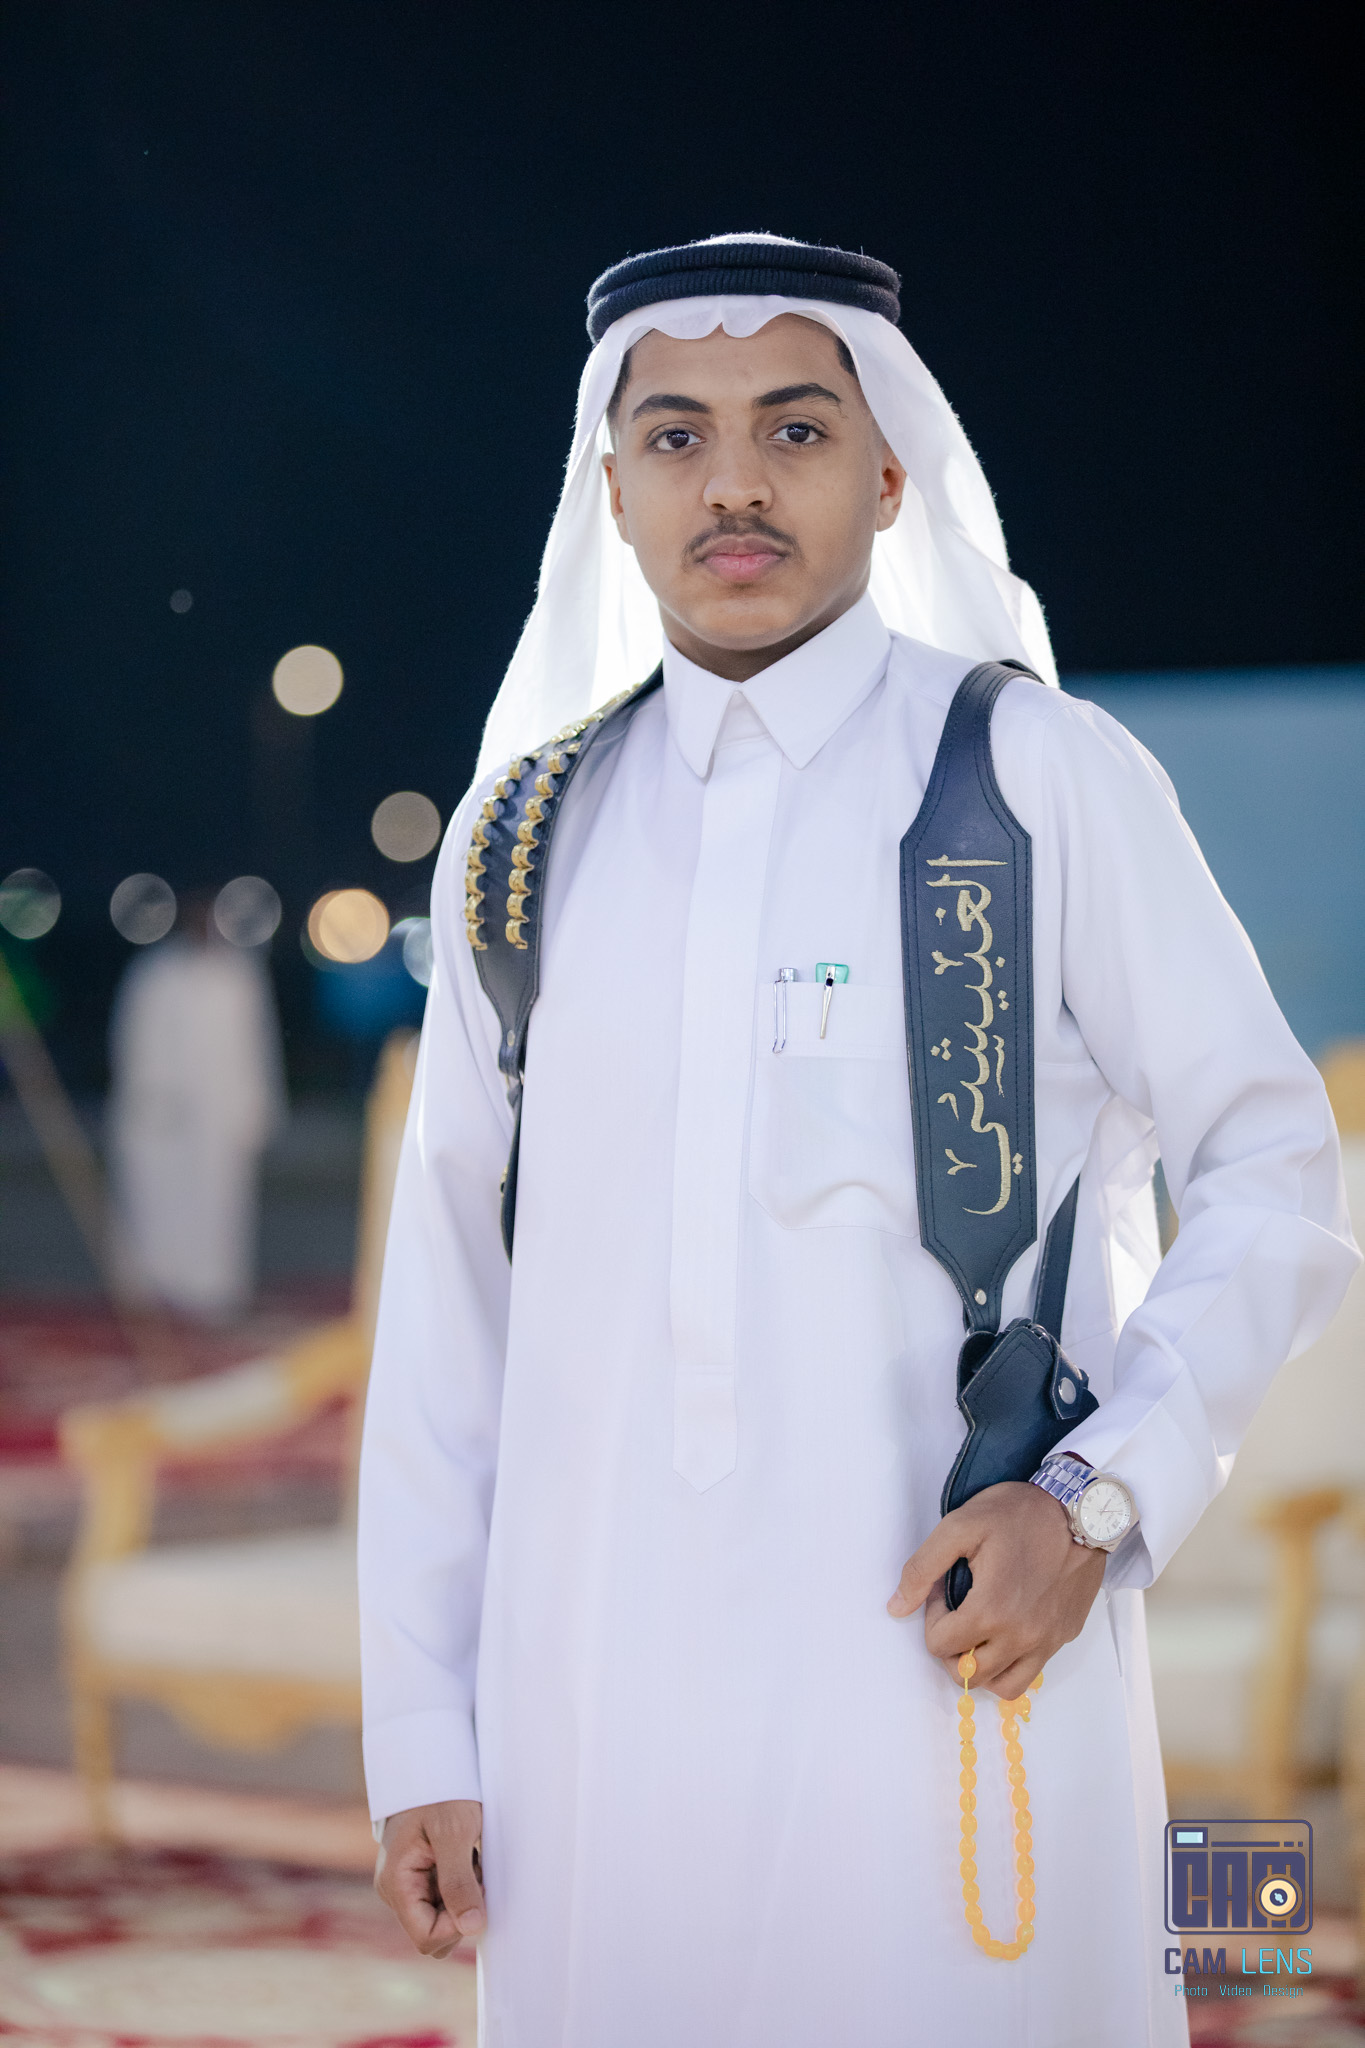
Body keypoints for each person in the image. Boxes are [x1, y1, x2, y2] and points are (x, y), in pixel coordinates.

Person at [357, 235, 1359, 2046]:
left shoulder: (1039, 778)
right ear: (611, 487)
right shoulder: (520, 843)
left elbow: (1276, 1166)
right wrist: (423, 1726)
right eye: (676, 436)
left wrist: (1097, 1500)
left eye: (795, 429)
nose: (733, 483)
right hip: (593, 1700)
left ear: (891, 473)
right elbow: (449, 1310)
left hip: (957, 1661)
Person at [108, 891, 284, 1319]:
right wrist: (148, 1095)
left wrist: (258, 1106)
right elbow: (133, 1040)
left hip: (222, 1111)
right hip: (162, 1112)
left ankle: (214, 1289)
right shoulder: (156, 973)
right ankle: (154, 1285)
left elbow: (258, 1045)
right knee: (156, 1197)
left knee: (220, 1201)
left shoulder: (239, 976)